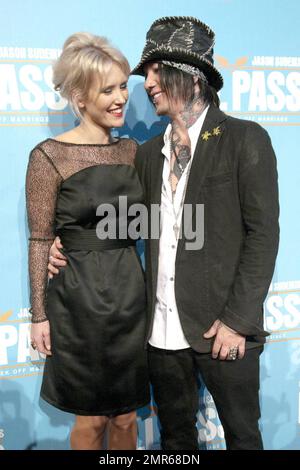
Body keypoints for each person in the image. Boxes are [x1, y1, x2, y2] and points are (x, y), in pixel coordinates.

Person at [49, 17, 280, 450]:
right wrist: (65, 244)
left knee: (243, 438)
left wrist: (236, 321)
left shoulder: (246, 140)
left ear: (191, 77)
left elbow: (263, 237)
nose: (146, 82)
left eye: (156, 70)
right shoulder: (147, 154)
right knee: (176, 442)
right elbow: (125, 222)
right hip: (161, 334)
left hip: (222, 329)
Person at [26, 32, 150, 450]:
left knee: (128, 415)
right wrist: (38, 315)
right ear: (79, 97)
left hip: (131, 296)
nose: (121, 99)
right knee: (92, 418)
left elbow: (153, 221)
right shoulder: (49, 156)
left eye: (123, 88)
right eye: (108, 90)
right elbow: (41, 238)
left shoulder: (135, 152)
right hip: (77, 301)